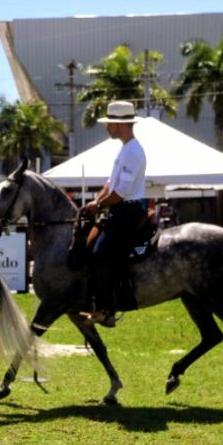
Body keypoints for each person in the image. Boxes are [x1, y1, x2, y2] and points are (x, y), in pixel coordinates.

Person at [80, 100, 147, 327]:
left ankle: (106, 310)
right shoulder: (125, 149)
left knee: (100, 253)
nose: (107, 127)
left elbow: (121, 192)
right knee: (89, 245)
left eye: (109, 123)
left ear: (120, 125)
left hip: (128, 210)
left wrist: (98, 206)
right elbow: (110, 184)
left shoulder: (133, 152)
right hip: (119, 208)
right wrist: (96, 201)